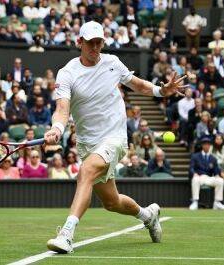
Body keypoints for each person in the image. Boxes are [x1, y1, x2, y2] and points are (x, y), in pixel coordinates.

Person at [43, 21, 187, 253]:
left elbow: (138, 85)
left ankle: (66, 234)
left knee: (86, 173)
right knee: (112, 202)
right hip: (88, 143)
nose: (95, 47)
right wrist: (57, 129)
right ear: (79, 42)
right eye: (90, 42)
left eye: (99, 42)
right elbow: (62, 109)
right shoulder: (67, 73)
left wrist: (162, 91)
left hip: (115, 138)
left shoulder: (112, 63)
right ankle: (148, 215)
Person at [189, 136, 224, 211]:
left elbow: (216, 170)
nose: (206, 146)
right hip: (199, 177)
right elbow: (191, 168)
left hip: (209, 178)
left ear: (210, 146)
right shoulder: (195, 156)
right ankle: (195, 202)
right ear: (202, 145)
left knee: (220, 180)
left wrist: (217, 174)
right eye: (205, 144)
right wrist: (194, 173)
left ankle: (217, 202)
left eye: (208, 144)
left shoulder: (213, 158)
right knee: (195, 179)